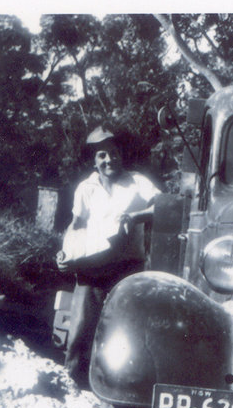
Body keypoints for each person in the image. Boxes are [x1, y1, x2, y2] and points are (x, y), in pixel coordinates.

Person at [58, 126, 161, 389]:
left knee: (124, 330)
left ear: (121, 155)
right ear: (94, 160)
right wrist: (66, 251)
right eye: (102, 155)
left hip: (127, 268)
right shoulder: (86, 188)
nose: (109, 160)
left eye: (114, 154)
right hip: (92, 267)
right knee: (80, 331)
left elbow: (164, 205)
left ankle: (118, 388)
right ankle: (75, 386)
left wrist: (137, 216)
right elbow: (77, 223)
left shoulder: (137, 181)